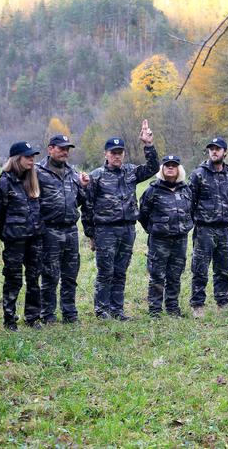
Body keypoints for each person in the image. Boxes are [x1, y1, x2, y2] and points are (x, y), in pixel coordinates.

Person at [82, 120, 159, 320]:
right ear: (106, 154)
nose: (117, 156)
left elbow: (153, 167)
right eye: (113, 152)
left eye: (120, 152)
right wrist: (91, 234)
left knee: (120, 271)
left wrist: (148, 145)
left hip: (127, 229)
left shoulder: (130, 172)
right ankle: (101, 310)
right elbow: (88, 206)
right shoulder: (96, 176)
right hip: (105, 230)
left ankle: (117, 309)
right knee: (105, 271)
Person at [36, 135, 89, 324]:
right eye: (61, 148)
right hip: (49, 230)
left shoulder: (73, 173)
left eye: (67, 149)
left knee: (70, 274)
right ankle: (48, 314)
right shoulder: (37, 172)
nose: (65, 152)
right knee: (50, 275)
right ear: (50, 149)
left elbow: (81, 201)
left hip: (71, 231)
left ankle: (69, 312)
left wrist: (84, 187)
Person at [0, 142, 44, 331]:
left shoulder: (33, 179)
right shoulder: (5, 181)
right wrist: (6, 234)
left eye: (33, 156)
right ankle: (9, 319)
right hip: (15, 240)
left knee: (34, 278)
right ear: (17, 158)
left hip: (34, 238)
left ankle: (32, 317)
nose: (32, 159)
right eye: (27, 156)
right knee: (13, 279)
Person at [188, 137, 228, 318]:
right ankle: (197, 303)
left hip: (224, 229)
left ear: (225, 152)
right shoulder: (198, 174)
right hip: (204, 229)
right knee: (200, 268)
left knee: (224, 267)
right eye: (211, 149)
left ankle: (222, 300)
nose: (214, 151)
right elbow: (190, 202)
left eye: (218, 149)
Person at [139, 155, 193, 317]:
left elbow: (192, 209)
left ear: (179, 169)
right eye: (167, 165)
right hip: (159, 241)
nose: (170, 168)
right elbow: (143, 214)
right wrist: (154, 229)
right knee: (157, 275)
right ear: (162, 169)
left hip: (180, 240)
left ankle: (172, 308)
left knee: (175, 275)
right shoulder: (152, 190)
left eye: (174, 165)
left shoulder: (186, 190)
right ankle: (155, 310)